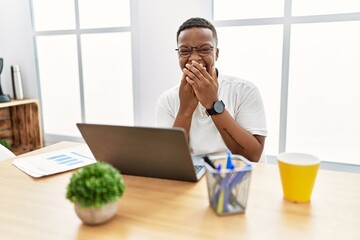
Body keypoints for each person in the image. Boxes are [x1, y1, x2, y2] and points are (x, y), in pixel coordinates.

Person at [156, 17, 267, 162]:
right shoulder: (167, 99)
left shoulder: (244, 91)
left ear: (216, 53)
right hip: (193, 179)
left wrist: (213, 104)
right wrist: (185, 109)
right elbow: (168, 159)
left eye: (204, 50)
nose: (194, 58)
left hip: (237, 176)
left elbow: (252, 156)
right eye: (185, 51)